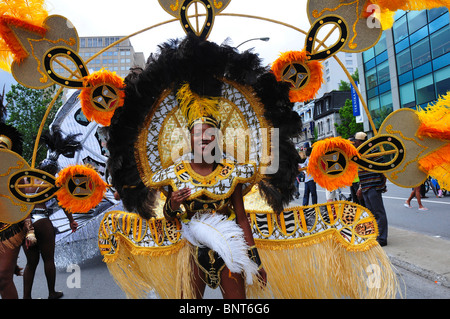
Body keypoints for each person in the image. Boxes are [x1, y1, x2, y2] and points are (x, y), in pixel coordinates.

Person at [159, 85, 267, 299]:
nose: (204, 138)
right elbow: (170, 217)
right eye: (198, 133)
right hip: (192, 249)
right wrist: (172, 204)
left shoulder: (231, 170)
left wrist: (255, 260)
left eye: (210, 134)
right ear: (189, 137)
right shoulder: (177, 172)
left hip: (230, 248)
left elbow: (242, 218)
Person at [22, 128, 80, 299]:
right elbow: (64, 203)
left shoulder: (24, 180)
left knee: (31, 264)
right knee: (48, 260)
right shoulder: (53, 184)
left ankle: (26, 297)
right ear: (53, 172)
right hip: (42, 220)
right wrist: (71, 221)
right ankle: (51, 293)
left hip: (25, 222)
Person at [0, 122, 36, 299]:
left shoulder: (16, 171)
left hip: (10, 227)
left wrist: (29, 230)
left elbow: (25, 202)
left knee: (3, 277)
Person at [354, 132, 388, 247]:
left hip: (373, 186)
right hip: (365, 186)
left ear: (361, 142)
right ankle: (374, 236)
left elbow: (383, 169)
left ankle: (382, 238)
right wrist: (360, 187)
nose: (355, 143)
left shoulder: (374, 152)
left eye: (357, 141)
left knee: (378, 212)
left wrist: (383, 185)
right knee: (370, 214)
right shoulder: (359, 154)